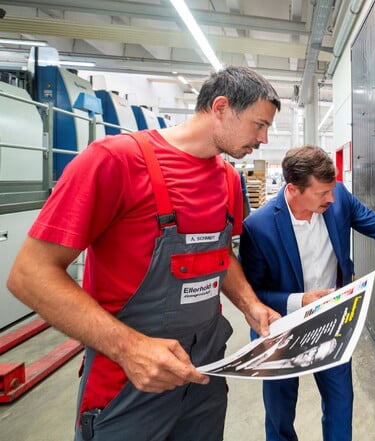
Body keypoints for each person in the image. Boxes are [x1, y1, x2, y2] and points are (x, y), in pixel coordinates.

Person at [6, 66, 283, 441]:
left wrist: (250, 305)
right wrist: (129, 348)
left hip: (206, 374)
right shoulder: (113, 161)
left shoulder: (228, 179)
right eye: (259, 125)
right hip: (129, 381)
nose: (264, 138)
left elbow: (221, 255)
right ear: (221, 108)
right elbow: (30, 275)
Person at [240, 145, 375, 441]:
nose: (331, 198)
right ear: (293, 190)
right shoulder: (259, 227)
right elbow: (252, 295)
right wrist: (299, 300)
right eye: (322, 193)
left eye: (332, 190)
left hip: (332, 321)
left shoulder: (339, 197)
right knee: (280, 411)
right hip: (282, 326)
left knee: (341, 403)